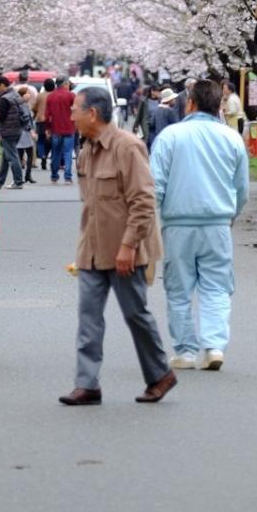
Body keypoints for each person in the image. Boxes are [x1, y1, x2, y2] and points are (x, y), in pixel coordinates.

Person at [59, 87, 175, 406]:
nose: (70, 116)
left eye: (74, 110)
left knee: (136, 314)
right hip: (93, 250)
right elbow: (92, 206)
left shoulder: (128, 147)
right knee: (88, 316)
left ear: (92, 114)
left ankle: (160, 375)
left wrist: (128, 246)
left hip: (127, 250)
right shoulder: (86, 150)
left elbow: (143, 200)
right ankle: (87, 384)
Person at [150, 78, 249, 372]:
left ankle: (185, 351)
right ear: (220, 105)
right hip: (218, 222)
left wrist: (148, 222)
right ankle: (214, 346)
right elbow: (241, 188)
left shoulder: (170, 136)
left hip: (178, 223)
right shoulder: (232, 138)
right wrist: (231, 216)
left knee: (179, 289)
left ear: (190, 103)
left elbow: (154, 185)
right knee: (217, 286)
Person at [0, 74, 25, 189]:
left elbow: (1, 117)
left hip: (8, 130)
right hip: (16, 129)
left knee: (12, 156)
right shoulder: (14, 95)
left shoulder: (5, 98)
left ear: (1, 85)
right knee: (6, 157)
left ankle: (18, 181)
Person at [46, 74, 76, 183]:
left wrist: (48, 128)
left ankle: (54, 176)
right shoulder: (71, 96)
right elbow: (76, 111)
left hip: (55, 129)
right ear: (65, 84)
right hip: (69, 128)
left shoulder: (50, 96)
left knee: (56, 153)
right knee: (68, 153)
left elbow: (47, 114)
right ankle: (68, 177)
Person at [13, 79, 37, 184]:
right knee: (22, 155)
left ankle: (26, 176)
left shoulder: (25, 104)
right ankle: (23, 177)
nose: (29, 95)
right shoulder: (21, 105)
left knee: (26, 155)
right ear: (22, 95)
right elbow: (25, 119)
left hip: (25, 132)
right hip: (23, 133)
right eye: (27, 94)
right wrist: (31, 130)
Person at [148, 87, 179, 151]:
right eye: (173, 99)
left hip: (159, 139)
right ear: (169, 100)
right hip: (170, 140)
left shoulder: (157, 109)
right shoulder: (170, 111)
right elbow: (176, 126)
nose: (174, 100)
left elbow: (152, 124)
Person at [35, 77, 54, 170]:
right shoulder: (55, 95)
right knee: (51, 141)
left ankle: (42, 155)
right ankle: (47, 155)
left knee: (41, 140)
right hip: (52, 121)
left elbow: (34, 107)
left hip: (41, 120)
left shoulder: (40, 95)